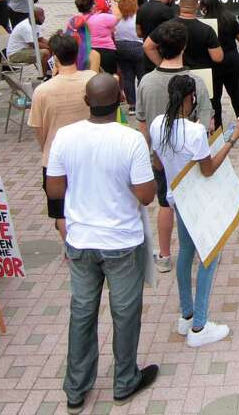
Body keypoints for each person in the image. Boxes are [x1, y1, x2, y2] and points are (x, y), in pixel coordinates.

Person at [46, 74, 159, 409]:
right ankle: (125, 380)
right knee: (125, 312)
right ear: (122, 99)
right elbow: (146, 196)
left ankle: (76, 387)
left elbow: (54, 190)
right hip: (121, 239)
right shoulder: (131, 139)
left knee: (82, 312)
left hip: (80, 239)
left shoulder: (65, 137)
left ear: (86, 102)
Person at [150, 75, 239, 346]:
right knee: (209, 256)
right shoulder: (195, 131)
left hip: (176, 198)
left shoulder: (158, 124)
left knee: (185, 253)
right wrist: (232, 140)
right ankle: (199, 326)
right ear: (191, 97)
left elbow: (158, 164)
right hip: (198, 202)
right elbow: (208, 170)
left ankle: (187, 314)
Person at [135, 23, 214, 274]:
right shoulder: (196, 82)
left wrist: (149, 154)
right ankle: (203, 249)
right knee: (196, 206)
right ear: (185, 46)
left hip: (160, 156)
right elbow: (206, 123)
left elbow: (143, 124)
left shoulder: (146, 82)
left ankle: (165, 255)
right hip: (190, 159)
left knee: (164, 204)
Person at [28, 33, 93, 239]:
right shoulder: (92, 80)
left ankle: (69, 248)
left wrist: (46, 146)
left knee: (60, 210)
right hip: (89, 152)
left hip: (55, 156)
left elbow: (39, 130)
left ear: (54, 57)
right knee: (90, 200)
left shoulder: (43, 90)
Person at [200, 0, 239, 122]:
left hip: (213, 64)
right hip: (232, 62)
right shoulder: (230, 18)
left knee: (215, 98)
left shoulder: (204, 23)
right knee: (236, 94)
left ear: (206, 7)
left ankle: (218, 126)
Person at [145, 0, 222, 72]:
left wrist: (162, 65)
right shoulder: (207, 30)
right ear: (198, 6)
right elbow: (218, 58)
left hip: (174, 74)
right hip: (200, 75)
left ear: (179, 5)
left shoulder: (166, 27)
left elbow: (147, 46)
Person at [112, 0, 145, 108]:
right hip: (137, 47)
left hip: (121, 47)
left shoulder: (116, 19)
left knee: (127, 77)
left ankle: (132, 104)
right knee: (142, 76)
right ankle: (143, 101)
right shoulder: (139, 16)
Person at [136, 0, 177, 75]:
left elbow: (139, 33)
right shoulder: (167, 10)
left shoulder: (142, 8)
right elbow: (174, 33)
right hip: (163, 55)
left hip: (147, 55)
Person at [6, 6, 51, 72]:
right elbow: (34, 44)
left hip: (26, 50)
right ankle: (43, 76)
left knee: (51, 50)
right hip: (15, 54)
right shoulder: (26, 27)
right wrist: (50, 47)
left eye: (43, 15)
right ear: (34, 17)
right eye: (41, 15)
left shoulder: (36, 23)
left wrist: (53, 44)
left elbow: (41, 39)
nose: (44, 17)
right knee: (46, 53)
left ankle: (49, 72)